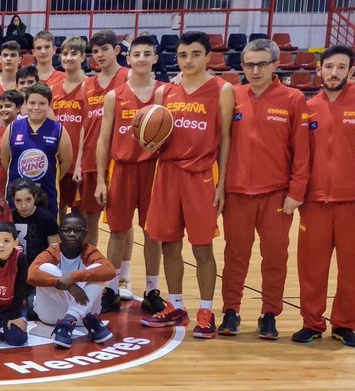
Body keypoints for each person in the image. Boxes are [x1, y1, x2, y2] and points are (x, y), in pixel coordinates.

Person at [294, 44, 355, 348]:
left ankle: (345, 324)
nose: (333, 73)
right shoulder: (309, 106)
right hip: (314, 204)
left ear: (351, 71)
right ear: (319, 70)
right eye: (328, 67)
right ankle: (311, 323)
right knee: (311, 269)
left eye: (340, 68)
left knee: (351, 269)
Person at [139, 32, 234, 340]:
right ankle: (176, 305)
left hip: (201, 176)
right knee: (169, 244)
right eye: (182, 55)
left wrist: (222, 184)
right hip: (167, 173)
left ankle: (206, 310)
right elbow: (154, 138)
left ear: (208, 57)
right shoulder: (165, 93)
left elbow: (226, 140)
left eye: (195, 54)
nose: (189, 60)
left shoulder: (222, 90)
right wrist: (147, 139)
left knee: (202, 247)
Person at [215, 39, 310, 339]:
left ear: (275, 65)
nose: (254, 70)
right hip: (237, 193)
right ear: (241, 66)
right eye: (248, 64)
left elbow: (303, 151)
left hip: (277, 195)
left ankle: (270, 312)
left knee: (275, 257)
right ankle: (231, 310)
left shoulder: (293, 98)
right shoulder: (232, 95)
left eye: (261, 64)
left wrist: (297, 191)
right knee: (235, 256)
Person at [92, 34, 164, 313]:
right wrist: (101, 179)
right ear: (129, 58)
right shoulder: (114, 96)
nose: (142, 59)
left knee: (153, 233)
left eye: (148, 54)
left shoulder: (162, 93)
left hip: (153, 170)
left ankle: (152, 289)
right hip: (121, 169)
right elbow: (103, 140)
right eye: (137, 54)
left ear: (155, 59)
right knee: (118, 231)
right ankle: (110, 289)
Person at [27, 212, 116, 348]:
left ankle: (68, 321)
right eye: (67, 230)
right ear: (60, 233)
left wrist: (74, 277)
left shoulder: (90, 252)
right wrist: (67, 285)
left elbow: (110, 271)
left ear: (85, 233)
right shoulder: (52, 251)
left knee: (98, 270)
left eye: (77, 230)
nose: (72, 234)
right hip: (56, 314)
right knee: (47, 268)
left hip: (81, 318)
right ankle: (74, 319)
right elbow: (31, 275)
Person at [75, 30, 128, 246]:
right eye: (95, 51)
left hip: (119, 159)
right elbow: (83, 125)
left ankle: (123, 277)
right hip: (91, 159)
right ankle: (91, 269)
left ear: (116, 50)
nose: (100, 55)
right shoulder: (87, 85)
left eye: (104, 49)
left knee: (122, 223)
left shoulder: (129, 77)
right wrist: (78, 163)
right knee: (90, 219)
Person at [1, 83, 74, 217]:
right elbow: (6, 160)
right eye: (32, 102)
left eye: (42, 103)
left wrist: (51, 176)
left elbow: (66, 161)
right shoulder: (13, 128)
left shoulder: (58, 130)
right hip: (17, 195)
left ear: (48, 105)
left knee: (47, 234)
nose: (36, 107)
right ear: (25, 105)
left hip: (47, 193)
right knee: (15, 233)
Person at [51, 37, 88, 217]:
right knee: (58, 209)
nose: (68, 58)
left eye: (74, 53)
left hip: (81, 161)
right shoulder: (53, 89)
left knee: (81, 216)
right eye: (65, 53)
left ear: (82, 57)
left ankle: (84, 247)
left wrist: (80, 162)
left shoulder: (90, 87)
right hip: (58, 160)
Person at [8, 178, 59, 266]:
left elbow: (54, 250)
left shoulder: (46, 218)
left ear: (34, 197)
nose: (23, 205)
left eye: (28, 200)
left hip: (40, 268)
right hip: (15, 268)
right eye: (18, 200)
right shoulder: (9, 217)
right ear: (13, 199)